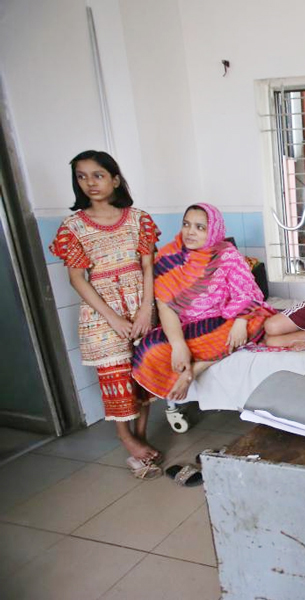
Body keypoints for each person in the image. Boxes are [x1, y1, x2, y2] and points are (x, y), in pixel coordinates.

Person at [49, 150, 162, 479]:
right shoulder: (73, 227)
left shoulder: (139, 219)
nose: (90, 183)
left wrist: (146, 309)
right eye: (81, 176)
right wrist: (113, 318)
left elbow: (148, 266)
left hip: (140, 305)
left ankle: (140, 440)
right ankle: (126, 439)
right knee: (115, 378)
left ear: (114, 179)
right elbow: (76, 279)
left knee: (142, 375)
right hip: (101, 312)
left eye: (97, 175)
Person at [132, 203, 274, 400]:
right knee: (150, 348)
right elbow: (166, 307)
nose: (190, 232)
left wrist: (241, 322)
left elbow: (247, 293)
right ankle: (193, 360)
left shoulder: (227, 254)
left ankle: (193, 370)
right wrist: (178, 345)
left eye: (200, 227)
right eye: (186, 224)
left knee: (257, 320)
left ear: (214, 230)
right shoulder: (168, 257)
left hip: (223, 320)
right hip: (187, 327)